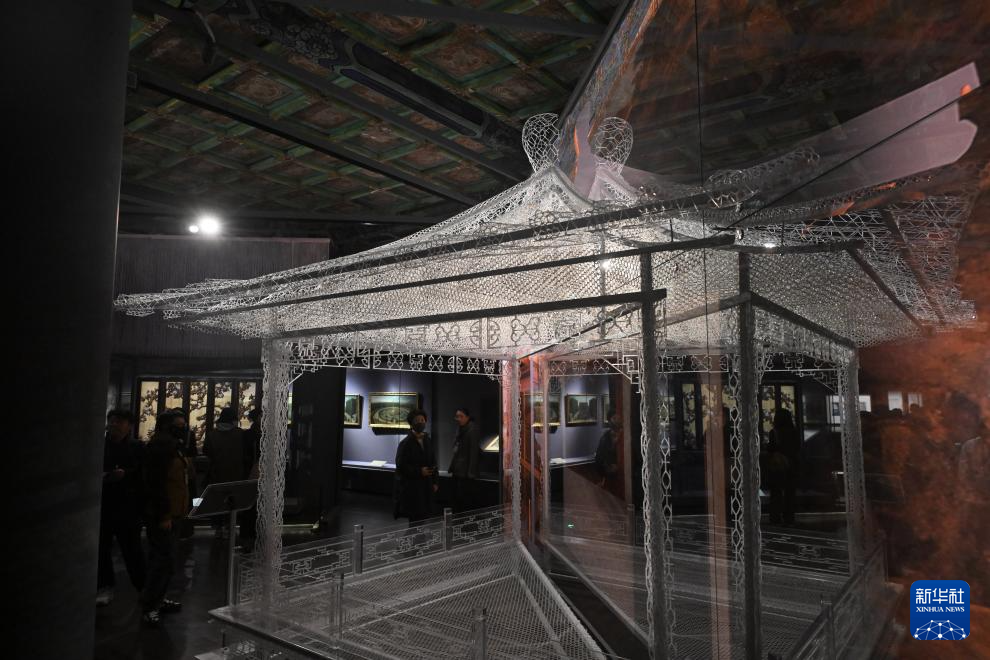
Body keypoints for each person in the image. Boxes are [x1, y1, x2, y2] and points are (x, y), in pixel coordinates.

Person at [140, 410, 192, 626]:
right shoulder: (160, 449)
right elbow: (156, 485)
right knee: (162, 561)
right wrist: (164, 514)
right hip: (164, 513)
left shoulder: (174, 447)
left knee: (166, 559)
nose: (183, 429)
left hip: (175, 511)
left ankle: (158, 599)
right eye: (178, 425)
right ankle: (150, 605)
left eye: (183, 425)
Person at [96, 409, 146, 606]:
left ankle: (143, 588)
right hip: (104, 505)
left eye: (119, 421)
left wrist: (126, 475)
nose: (114, 425)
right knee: (102, 549)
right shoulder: (99, 445)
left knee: (133, 550)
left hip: (128, 507)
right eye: (112, 421)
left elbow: (144, 475)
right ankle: (105, 586)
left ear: (129, 426)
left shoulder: (137, 447)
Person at [203, 407, 247, 538]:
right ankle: (230, 527)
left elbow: (207, 452)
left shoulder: (212, 435)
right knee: (232, 503)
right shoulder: (240, 434)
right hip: (236, 475)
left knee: (217, 503)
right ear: (233, 420)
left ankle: (218, 528)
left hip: (217, 475)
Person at [394, 409, 438, 524]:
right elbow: (401, 465)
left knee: (424, 518)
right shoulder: (405, 443)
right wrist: (419, 471)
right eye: (417, 420)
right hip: (413, 488)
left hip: (426, 486)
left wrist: (435, 481)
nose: (420, 422)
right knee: (415, 520)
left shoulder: (428, 440)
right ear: (411, 423)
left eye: (422, 420)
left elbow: (433, 461)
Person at [765, 409, 800, 525]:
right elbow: (797, 448)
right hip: (791, 465)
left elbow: (771, 449)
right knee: (790, 493)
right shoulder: (794, 432)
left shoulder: (774, 432)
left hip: (778, 466)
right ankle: (789, 517)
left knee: (776, 493)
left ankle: (775, 517)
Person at [448, 407, 480, 512]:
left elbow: (473, 452)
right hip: (458, 469)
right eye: (457, 417)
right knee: (456, 498)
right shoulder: (460, 429)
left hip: (465, 472)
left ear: (467, 417)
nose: (458, 419)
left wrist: (471, 473)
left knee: (464, 499)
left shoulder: (471, 429)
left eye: (461, 416)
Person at [240, 408, 261, 540]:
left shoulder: (249, 434)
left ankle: (250, 535)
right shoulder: (252, 434)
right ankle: (250, 535)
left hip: (252, 472)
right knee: (252, 505)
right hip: (254, 472)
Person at [595, 410, 622, 490]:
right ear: (610, 421)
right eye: (614, 418)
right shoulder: (606, 436)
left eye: (617, 417)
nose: (617, 420)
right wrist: (608, 466)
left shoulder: (626, 434)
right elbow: (600, 456)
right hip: (610, 472)